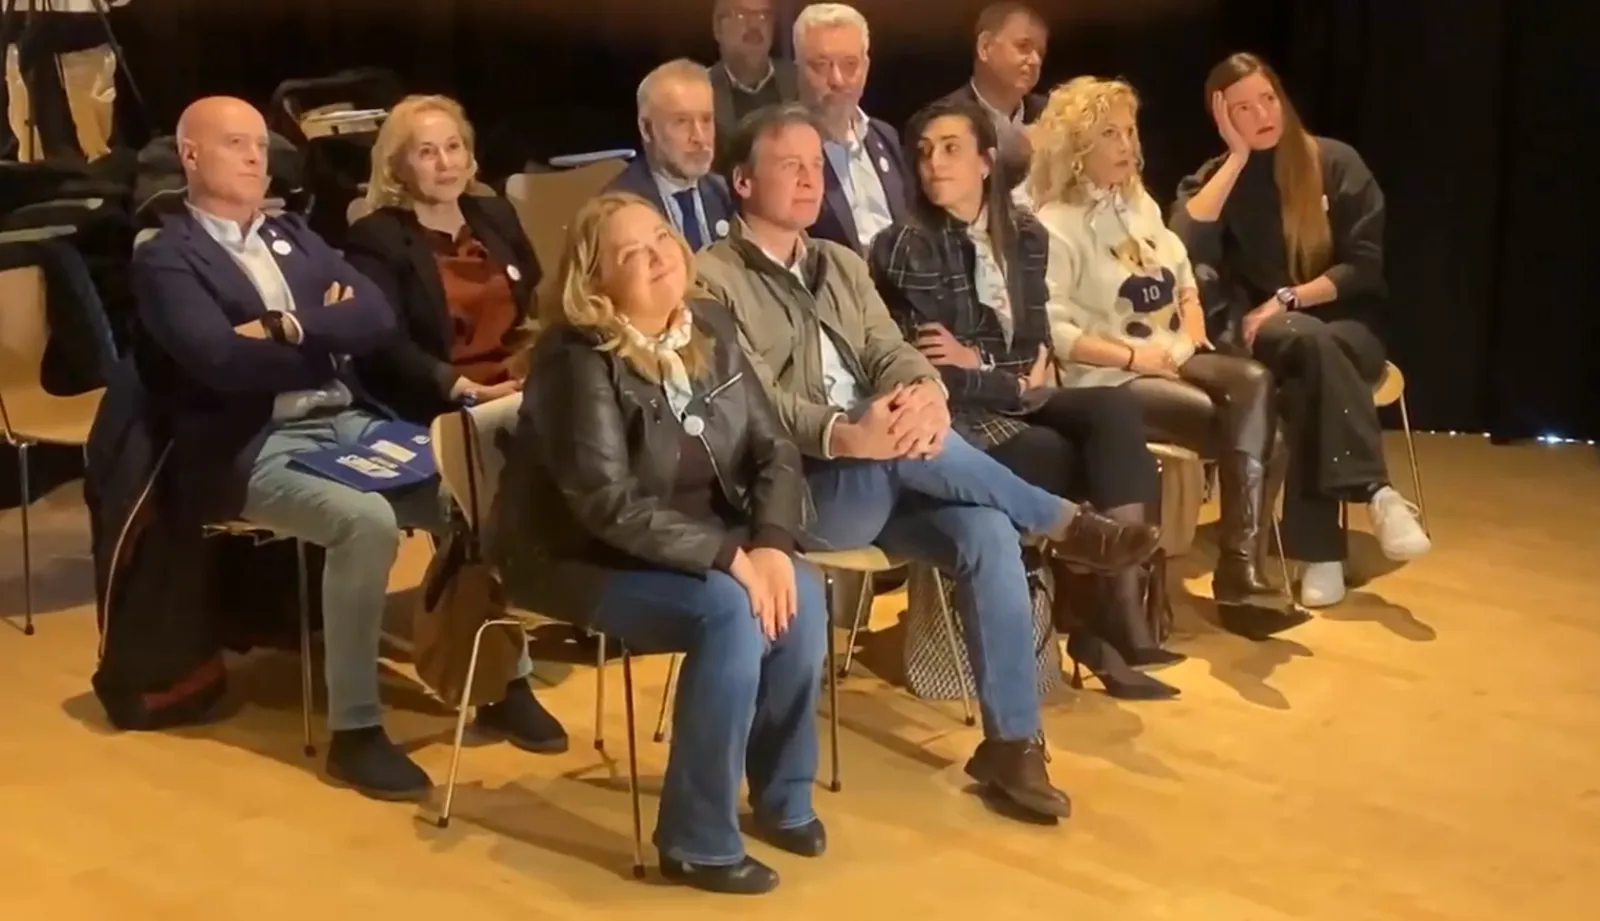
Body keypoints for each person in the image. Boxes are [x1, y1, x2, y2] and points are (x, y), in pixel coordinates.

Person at [697, 103, 1162, 822]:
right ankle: (1065, 524)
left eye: (816, 165)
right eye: (789, 166)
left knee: (987, 530)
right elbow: (749, 403)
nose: (810, 178)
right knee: (901, 448)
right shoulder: (710, 280)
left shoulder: (838, 263)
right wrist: (844, 433)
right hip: (795, 490)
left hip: (888, 466)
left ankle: (1014, 745)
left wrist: (925, 394)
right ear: (743, 182)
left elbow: (891, 349)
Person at [130, 96, 564, 802]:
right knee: (365, 522)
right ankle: (356, 730)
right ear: (190, 155)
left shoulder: (292, 234)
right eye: (236, 143)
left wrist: (281, 329)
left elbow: (373, 316)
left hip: (346, 419)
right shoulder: (166, 255)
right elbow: (218, 359)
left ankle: (498, 682)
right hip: (252, 445)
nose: (255, 157)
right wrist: (321, 329)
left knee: (473, 485)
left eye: (260, 145)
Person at [492, 191, 827, 896]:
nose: (656, 257)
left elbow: (772, 447)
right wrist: (730, 557)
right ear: (595, 282)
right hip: (576, 557)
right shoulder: (574, 358)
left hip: (692, 541)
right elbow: (606, 504)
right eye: (630, 254)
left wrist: (771, 542)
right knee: (729, 611)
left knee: (799, 586)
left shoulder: (708, 323)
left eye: (661, 238)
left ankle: (782, 794)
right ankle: (697, 842)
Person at [870, 98, 1179, 700]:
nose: (934, 164)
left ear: (986, 162)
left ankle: (1111, 611)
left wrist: (985, 363)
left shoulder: (1026, 235)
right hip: (959, 419)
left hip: (1014, 396)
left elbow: (1034, 342)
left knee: (1115, 409)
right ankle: (1101, 627)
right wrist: (1002, 374)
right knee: (1057, 454)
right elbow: (934, 370)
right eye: (924, 153)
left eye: (951, 149)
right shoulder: (906, 246)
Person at [1170, 53, 1430, 608]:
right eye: (1242, 108)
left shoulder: (1334, 162)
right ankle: (1376, 492)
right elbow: (1181, 244)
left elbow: (1364, 266)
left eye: (1268, 99)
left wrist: (1290, 296)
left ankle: (1324, 554)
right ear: (1221, 117)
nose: (1262, 114)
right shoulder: (1219, 177)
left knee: (1315, 363)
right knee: (1306, 344)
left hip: (1347, 324)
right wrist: (1236, 159)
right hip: (1270, 334)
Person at [1027, 75, 1285, 608]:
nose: (1126, 145)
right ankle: (1238, 579)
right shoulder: (1054, 225)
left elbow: (1181, 267)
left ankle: (1240, 570)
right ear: (1076, 146)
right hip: (1111, 376)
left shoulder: (1137, 203)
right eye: (1109, 134)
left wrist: (1192, 321)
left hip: (1174, 353)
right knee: (1268, 439)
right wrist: (1134, 357)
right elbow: (1055, 330)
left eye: (1129, 131)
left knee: (1256, 382)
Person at [344, 94, 541, 425]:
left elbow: (535, 298)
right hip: (443, 402)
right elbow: (387, 346)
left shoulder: (496, 214)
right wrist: (469, 391)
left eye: (453, 147)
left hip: (522, 384)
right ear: (397, 167)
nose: (445, 163)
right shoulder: (377, 236)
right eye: (427, 152)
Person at [791, 3, 908, 252]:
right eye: (821, 65)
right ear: (797, 68)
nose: (837, 80)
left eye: (850, 64)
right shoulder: (783, 144)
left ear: (866, 67)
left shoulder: (884, 136)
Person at [936, 2, 1049, 205]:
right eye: (1023, 46)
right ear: (985, 47)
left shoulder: (1054, 113)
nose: (1035, 60)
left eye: (1040, 52)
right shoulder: (942, 120)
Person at [708, 0, 799, 161]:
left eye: (764, 15)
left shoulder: (800, 81)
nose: (754, 24)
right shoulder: (700, 90)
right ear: (717, 28)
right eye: (741, 15)